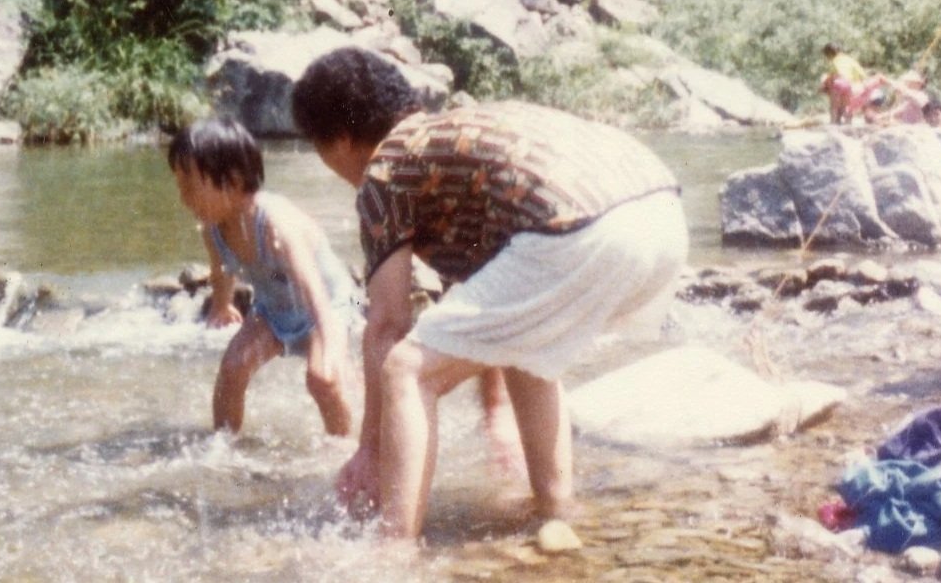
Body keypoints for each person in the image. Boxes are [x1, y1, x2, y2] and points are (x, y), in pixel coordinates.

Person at [291, 47, 689, 539]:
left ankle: (392, 555)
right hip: (662, 217)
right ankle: (558, 511)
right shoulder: (458, 138)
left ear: (342, 138)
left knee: (407, 370)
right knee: (529, 351)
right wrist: (495, 412)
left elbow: (388, 324)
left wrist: (371, 449)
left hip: (581, 230)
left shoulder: (386, 167)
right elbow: (495, 311)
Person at [168, 118, 356, 436]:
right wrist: (221, 305)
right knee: (233, 367)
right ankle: (222, 444)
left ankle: (345, 448)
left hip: (324, 306)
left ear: (235, 181)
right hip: (274, 310)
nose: (184, 197)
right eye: (180, 186)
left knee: (322, 380)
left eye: (192, 186)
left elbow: (313, 288)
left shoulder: (275, 225)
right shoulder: (213, 227)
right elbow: (221, 270)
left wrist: (332, 343)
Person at [820, 42, 886, 124]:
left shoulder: (834, 61)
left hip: (839, 82)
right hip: (849, 86)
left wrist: (824, 85)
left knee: (834, 106)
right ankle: (848, 123)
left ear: (829, 54)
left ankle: (833, 122)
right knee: (847, 106)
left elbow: (834, 75)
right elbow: (863, 75)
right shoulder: (850, 60)